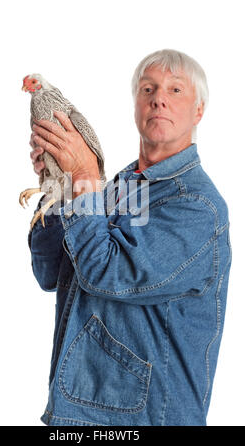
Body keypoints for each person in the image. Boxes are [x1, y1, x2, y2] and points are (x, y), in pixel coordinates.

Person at [27, 49, 232, 426]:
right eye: (148, 88)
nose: (159, 98)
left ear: (199, 111)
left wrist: (85, 176)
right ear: (136, 103)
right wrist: (59, 185)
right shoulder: (124, 189)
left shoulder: (198, 208)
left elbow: (106, 272)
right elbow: (50, 271)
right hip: (80, 413)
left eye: (175, 90)